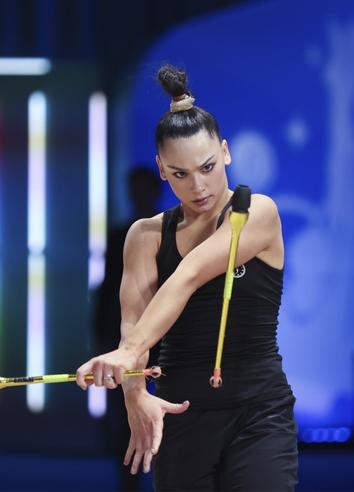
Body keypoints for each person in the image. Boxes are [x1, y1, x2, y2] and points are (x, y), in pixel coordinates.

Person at [77, 64, 298, 490]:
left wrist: (129, 355)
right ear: (161, 169)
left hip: (259, 413)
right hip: (180, 415)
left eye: (208, 166)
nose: (198, 185)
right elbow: (131, 332)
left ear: (227, 152)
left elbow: (190, 274)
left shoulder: (257, 213)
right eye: (180, 174)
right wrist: (136, 395)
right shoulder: (143, 236)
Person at [94, 167, 162, 491]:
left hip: (168, 335)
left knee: (172, 412)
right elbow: (109, 289)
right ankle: (129, 483)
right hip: (123, 333)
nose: (139, 195)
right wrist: (101, 334)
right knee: (125, 416)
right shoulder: (119, 234)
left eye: (144, 188)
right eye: (133, 189)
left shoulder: (174, 233)